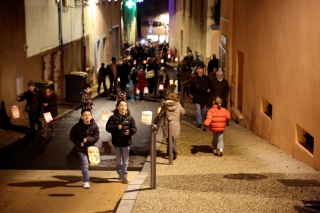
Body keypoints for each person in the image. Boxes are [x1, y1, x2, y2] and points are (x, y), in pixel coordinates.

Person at [106, 99, 137, 184]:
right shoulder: (113, 117)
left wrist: (130, 132)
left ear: (127, 108)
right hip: (117, 142)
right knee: (119, 160)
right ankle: (120, 173)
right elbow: (108, 127)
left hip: (126, 142)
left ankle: (124, 176)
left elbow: (134, 128)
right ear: (117, 107)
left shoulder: (130, 118)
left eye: (125, 105)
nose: (123, 107)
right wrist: (116, 127)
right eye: (121, 105)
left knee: (126, 160)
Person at [69, 109, 100, 189]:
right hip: (81, 149)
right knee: (85, 164)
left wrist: (89, 140)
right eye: (85, 115)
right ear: (81, 117)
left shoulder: (94, 126)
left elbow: (96, 137)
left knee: (87, 165)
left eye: (89, 115)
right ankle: (86, 181)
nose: (87, 116)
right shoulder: (77, 126)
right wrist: (79, 143)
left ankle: (84, 175)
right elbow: (72, 136)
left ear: (91, 116)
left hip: (91, 149)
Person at [153, 90, 185, 160]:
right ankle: (169, 152)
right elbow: (183, 112)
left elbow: (160, 115)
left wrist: (154, 122)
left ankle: (172, 150)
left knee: (168, 140)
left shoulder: (165, 105)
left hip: (167, 124)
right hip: (176, 124)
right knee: (173, 139)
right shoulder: (178, 104)